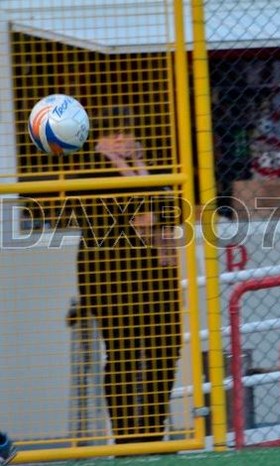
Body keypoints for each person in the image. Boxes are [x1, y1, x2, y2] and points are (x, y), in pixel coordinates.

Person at [70, 107, 182, 443]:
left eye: (128, 131)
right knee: (123, 354)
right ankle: (126, 439)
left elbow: (168, 216)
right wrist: (124, 169)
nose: (124, 140)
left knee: (167, 349)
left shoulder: (143, 173)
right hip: (110, 283)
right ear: (99, 141)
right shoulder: (89, 173)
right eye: (115, 133)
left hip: (156, 282)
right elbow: (145, 222)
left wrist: (138, 168)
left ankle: (153, 432)